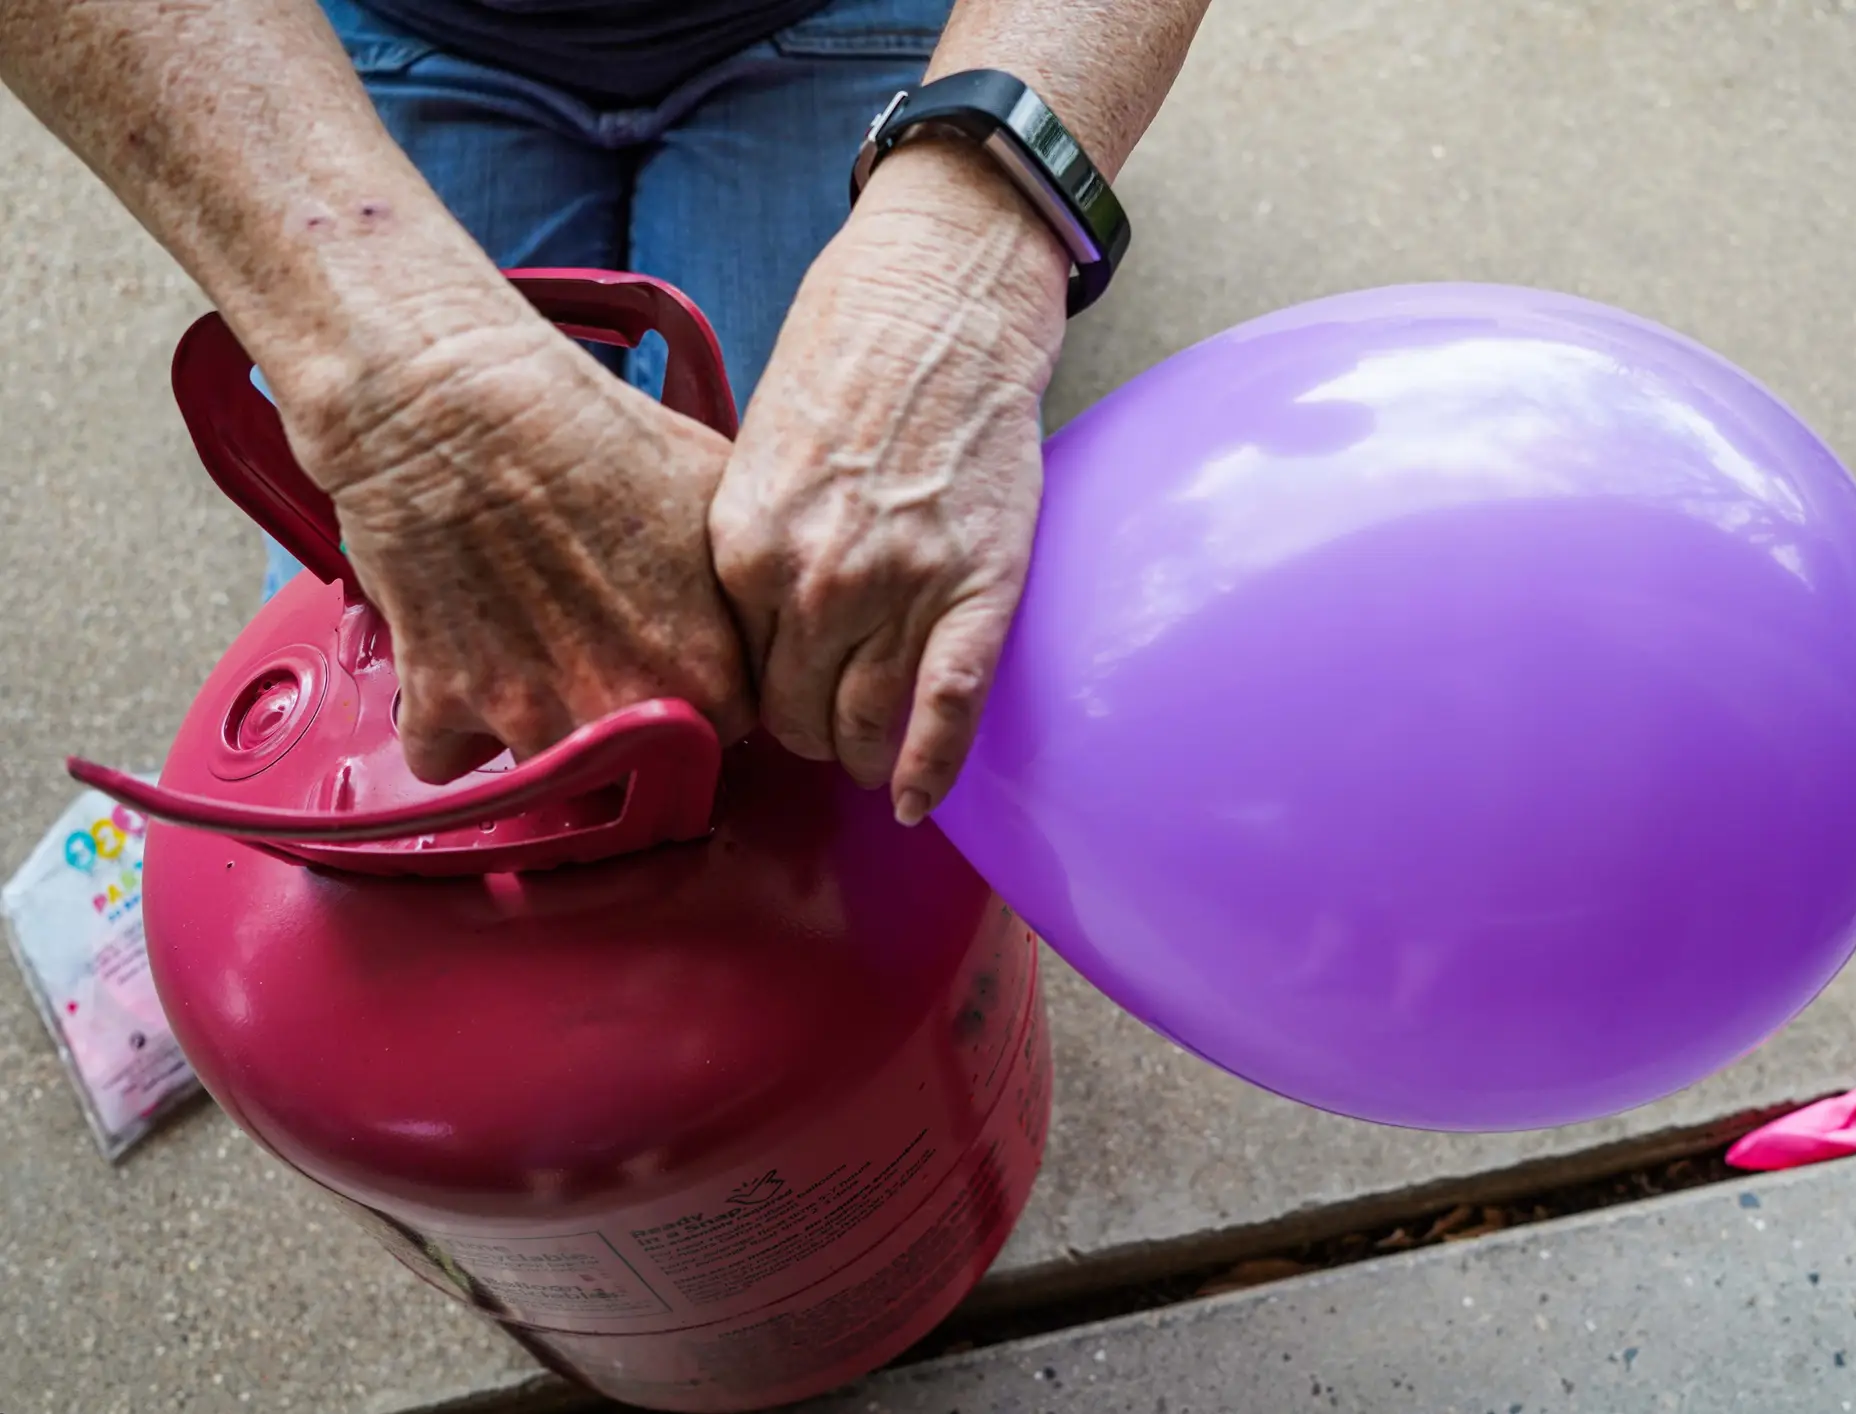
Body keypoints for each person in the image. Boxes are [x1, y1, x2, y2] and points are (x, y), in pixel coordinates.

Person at [0, 0, 1210, 825]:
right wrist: (403, 393)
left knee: (831, 731)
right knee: (385, 754)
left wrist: (964, 251)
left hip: (862, 19)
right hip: (347, 37)